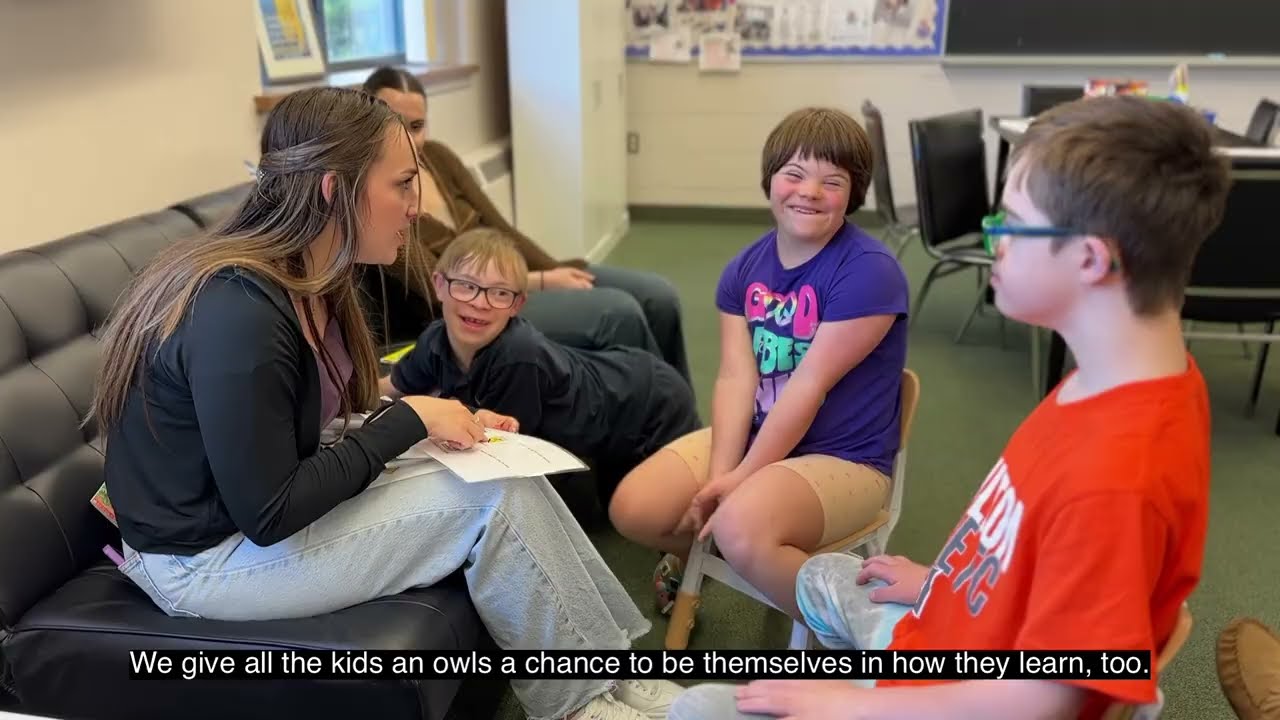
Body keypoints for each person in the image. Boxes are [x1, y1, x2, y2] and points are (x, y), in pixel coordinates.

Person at [92, 86, 679, 720]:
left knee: (500, 467)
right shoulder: (239, 312)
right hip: (202, 563)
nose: (415, 206)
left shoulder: (309, 279)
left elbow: (304, 424)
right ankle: (578, 707)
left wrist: (436, 422)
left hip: (245, 526)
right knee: (492, 498)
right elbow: (270, 511)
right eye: (402, 184)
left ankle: (606, 676)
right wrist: (410, 420)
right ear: (333, 190)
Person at [669, 95, 1232, 720]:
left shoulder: (1116, 476)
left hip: (961, 696)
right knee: (829, 576)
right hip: (954, 626)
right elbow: (1028, 550)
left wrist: (849, 706)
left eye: (1011, 224)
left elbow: (1048, 696)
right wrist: (940, 585)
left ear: (1090, 259)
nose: (995, 244)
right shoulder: (1115, 380)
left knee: (697, 709)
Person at [607, 107, 909, 619]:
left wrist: (744, 475)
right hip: (760, 435)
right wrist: (721, 476)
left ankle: (872, 630)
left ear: (853, 194)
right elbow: (735, 377)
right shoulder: (744, 268)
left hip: (844, 457)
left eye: (831, 181)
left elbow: (809, 384)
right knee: (634, 507)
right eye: (794, 174)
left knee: (739, 525)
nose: (809, 192)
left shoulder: (870, 272)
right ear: (770, 179)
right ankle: (724, 554)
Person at [359, 67, 692, 389]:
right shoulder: (378, 195)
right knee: (619, 313)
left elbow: (501, 229)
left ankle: (682, 418)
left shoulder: (438, 157)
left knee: (658, 296)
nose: (408, 138)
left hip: (512, 278)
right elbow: (434, 282)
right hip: (476, 305)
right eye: (396, 124)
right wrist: (542, 281)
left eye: (417, 126)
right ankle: (649, 416)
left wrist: (557, 269)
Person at [380, 227, 700, 497]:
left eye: (499, 293)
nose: (479, 303)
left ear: (517, 305)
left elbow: (500, 455)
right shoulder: (434, 340)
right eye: (466, 286)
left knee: (661, 506)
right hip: (615, 390)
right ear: (439, 285)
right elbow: (389, 386)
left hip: (650, 402)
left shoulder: (517, 356)